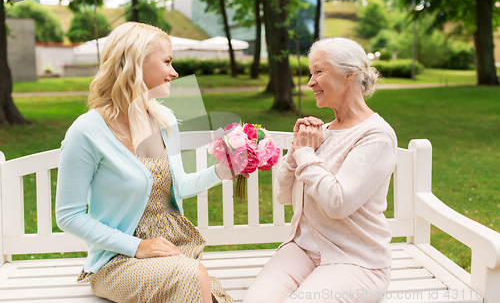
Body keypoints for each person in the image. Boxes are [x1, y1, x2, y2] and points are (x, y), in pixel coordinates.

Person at [55, 22, 241, 303]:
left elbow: (177, 186)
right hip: (116, 261)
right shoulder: (86, 131)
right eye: (167, 61)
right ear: (135, 63)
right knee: (191, 278)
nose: (174, 72)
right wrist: (137, 245)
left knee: (201, 285)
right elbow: (69, 216)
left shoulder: (163, 121)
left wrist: (221, 171)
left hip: (173, 250)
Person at [243, 37, 397, 303]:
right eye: (311, 73)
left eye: (318, 72)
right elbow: (283, 195)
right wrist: (296, 150)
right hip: (303, 249)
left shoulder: (376, 136)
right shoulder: (320, 132)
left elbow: (338, 202)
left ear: (349, 74)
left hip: (356, 260)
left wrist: (305, 153)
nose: (310, 82)